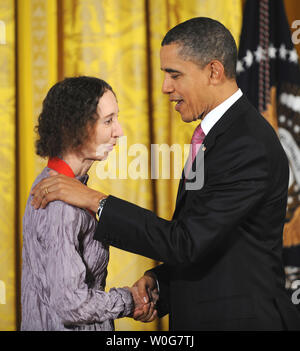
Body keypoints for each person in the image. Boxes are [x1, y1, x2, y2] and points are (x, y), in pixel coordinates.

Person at [31, 18, 300, 330]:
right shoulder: (220, 135)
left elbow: (186, 241)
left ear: (213, 71)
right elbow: (216, 244)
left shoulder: (246, 144)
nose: (165, 88)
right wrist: (161, 283)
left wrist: (94, 200)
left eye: (175, 75)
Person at [21, 76, 156, 331]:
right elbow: (71, 304)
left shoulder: (62, 186)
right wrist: (128, 300)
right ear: (75, 128)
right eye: (108, 121)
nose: (119, 131)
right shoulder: (58, 202)